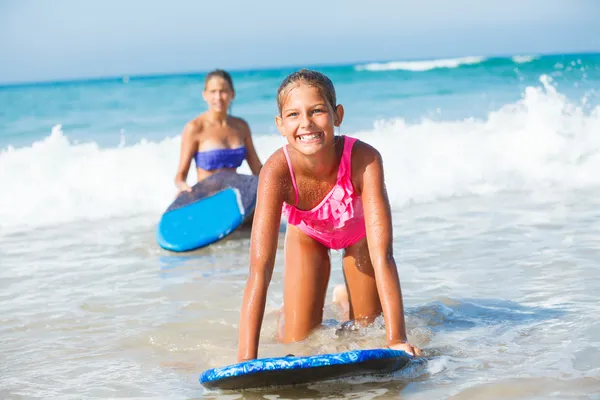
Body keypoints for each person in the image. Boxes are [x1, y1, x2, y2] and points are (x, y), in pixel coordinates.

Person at [237, 69, 421, 362]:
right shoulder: (275, 172)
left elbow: (382, 255)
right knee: (296, 340)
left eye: (317, 111)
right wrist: (245, 361)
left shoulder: (365, 159)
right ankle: (292, 309)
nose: (306, 123)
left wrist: (397, 339)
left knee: (366, 329)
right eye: (293, 115)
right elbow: (259, 270)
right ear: (280, 125)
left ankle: (345, 301)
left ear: (337, 115)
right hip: (308, 235)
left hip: (359, 237)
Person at [174, 69, 262, 193]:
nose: (218, 97)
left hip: (236, 199)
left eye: (223, 91)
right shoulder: (195, 128)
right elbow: (180, 176)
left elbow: (257, 169)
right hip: (206, 198)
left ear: (232, 94)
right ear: (205, 95)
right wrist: (183, 187)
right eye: (213, 92)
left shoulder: (241, 126)